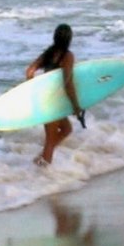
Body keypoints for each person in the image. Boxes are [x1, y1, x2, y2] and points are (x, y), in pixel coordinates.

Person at [25, 23, 83, 166]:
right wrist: (75, 105)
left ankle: (40, 158)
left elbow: (29, 71)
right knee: (50, 140)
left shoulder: (48, 53)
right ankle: (42, 173)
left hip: (46, 100)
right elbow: (67, 82)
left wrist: (36, 90)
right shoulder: (67, 56)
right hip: (54, 102)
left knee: (66, 129)